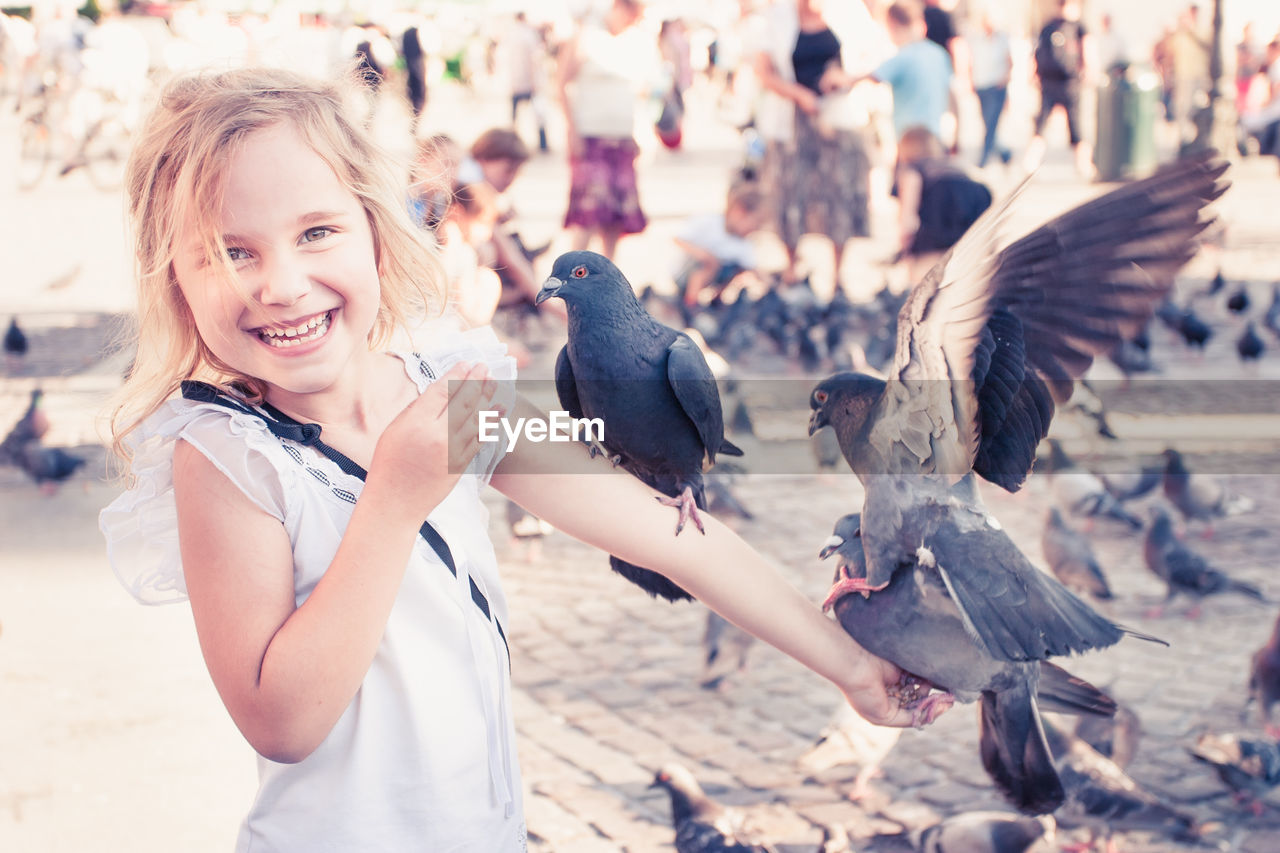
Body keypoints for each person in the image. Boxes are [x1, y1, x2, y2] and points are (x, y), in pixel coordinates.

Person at [99, 67, 927, 851]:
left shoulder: (451, 397)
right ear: (174, 278)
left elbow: (665, 531)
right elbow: (281, 721)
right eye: (229, 251)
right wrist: (393, 500)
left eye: (316, 232)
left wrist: (850, 665)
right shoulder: (226, 456)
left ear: (376, 235)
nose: (280, 283)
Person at [752, 0, 876, 287]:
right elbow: (764, 71)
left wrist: (845, 77)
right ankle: (792, 266)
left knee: (840, 191)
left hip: (839, 117)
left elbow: (873, 60)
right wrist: (797, 94)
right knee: (789, 191)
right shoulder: (777, 17)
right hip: (792, 119)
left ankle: (838, 272)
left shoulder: (851, 12)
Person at [555, 0, 656, 260]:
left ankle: (609, 271)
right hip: (591, 135)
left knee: (617, 214)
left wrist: (642, 132)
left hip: (623, 135)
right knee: (589, 212)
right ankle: (574, 272)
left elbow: (643, 93)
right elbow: (561, 84)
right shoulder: (586, 37)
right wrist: (572, 129)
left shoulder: (637, 42)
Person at [893, 125, 991, 281]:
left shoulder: (913, 170)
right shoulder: (954, 165)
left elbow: (908, 221)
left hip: (933, 244)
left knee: (923, 292)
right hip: (969, 243)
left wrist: (905, 250)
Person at [672, 178, 769, 308]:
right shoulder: (710, 221)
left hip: (713, 276)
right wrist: (702, 254)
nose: (755, 230)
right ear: (739, 212)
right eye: (755, 224)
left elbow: (752, 267)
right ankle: (690, 304)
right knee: (710, 262)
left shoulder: (743, 243)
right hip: (686, 272)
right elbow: (678, 238)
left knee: (736, 266)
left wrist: (769, 284)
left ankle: (716, 300)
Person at [1024, 0, 1092, 177]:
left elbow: (1087, 49)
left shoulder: (1079, 27)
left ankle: (1084, 165)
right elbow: (1037, 53)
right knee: (1042, 123)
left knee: (1076, 126)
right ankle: (1030, 163)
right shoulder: (1048, 27)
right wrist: (1033, 74)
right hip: (1049, 83)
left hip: (1070, 83)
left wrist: (1088, 71)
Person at [967, 10, 1012, 168]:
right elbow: (972, 61)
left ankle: (984, 159)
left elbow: (1009, 61)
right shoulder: (976, 39)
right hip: (981, 86)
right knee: (988, 124)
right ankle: (1005, 154)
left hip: (997, 86)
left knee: (991, 124)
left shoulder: (1002, 39)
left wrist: (1005, 79)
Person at [502, 12, 548, 153]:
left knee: (515, 115)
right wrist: (535, 81)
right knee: (538, 114)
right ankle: (542, 143)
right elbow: (534, 59)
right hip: (529, 81)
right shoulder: (528, 35)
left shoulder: (510, 35)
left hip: (515, 81)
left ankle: (511, 142)